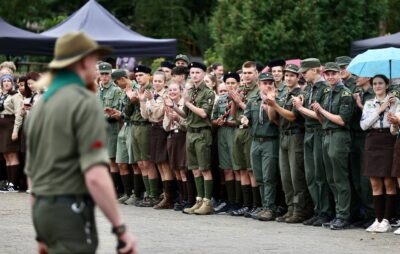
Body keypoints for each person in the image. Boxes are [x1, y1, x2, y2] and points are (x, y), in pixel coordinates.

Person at [24, 31, 136, 254]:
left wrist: (40, 231)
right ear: (83, 61)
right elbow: (95, 176)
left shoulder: (40, 106)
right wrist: (120, 229)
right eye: (94, 61)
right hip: (69, 210)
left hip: (43, 210)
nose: (97, 69)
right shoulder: (84, 102)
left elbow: (32, 176)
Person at [267, 64, 313, 223]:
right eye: (286, 75)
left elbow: (293, 116)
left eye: (292, 75)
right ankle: (291, 208)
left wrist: (275, 105)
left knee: (296, 176)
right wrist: (270, 102)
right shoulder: (284, 93)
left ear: (297, 77)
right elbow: (273, 118)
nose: (288, 78)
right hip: (284, 136)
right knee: (285, 177)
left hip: (296, 136)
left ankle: (301, 210)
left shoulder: (300, 94)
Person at [170, 61, 215, 215]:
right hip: (190, 132)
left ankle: (207, 202)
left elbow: (203, 113)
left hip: (202, 133)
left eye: (198, 72)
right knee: (195, 169)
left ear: (204, 74)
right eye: (193, 73)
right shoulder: (192, 91)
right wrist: (174, 106)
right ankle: (199, 200)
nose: (194, 75)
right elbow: (185, 114)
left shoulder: (208, 92)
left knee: (205, 169)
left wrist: (187, 102)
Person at [312, 62, 353, 230]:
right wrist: (317, 113)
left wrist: (321, 110)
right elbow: (324, 121)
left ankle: (344, 215)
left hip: (339, 136)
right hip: (326, 134)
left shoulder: (345, 93)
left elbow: (342, 120)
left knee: (340, 178)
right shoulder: (327, 92)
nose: (330, 77)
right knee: (330, 178)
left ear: (339, 73)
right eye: (327, 74)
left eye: (333, 73)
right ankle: (338, 213)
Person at [292, 58, 333, 227]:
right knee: (310, 175)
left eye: (305, 71)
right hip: (308, 133)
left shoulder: (324, 88)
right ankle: (317, 210)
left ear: (315, 70)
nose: (302, 75)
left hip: (318, 132)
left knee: (319, 175)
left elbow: (320, 115)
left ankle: (325, 211)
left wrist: (301, 108)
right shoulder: (308, 88)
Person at [361, 74, 398, 233]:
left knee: (389, 182)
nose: (377, 86)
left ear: (387, 84)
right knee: (375, 182)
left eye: (380, 83)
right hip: (372, 140)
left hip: (389, 140)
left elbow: (395, 125)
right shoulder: (369, 103)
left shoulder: (395, 101)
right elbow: (364, 125)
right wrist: (380, 109)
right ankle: (378, 218)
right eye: (374, 83)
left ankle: (388, 219)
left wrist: (391, 112)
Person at [240, 72, 280, 221]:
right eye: (265, 83)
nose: (268, 85)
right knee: (259, 176)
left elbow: (275, 119)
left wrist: (271, 102)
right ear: (259, 85)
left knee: (269, 176)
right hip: (255, 141)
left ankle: (270, 207)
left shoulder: (277, 100)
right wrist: (244, 119)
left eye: (271, 83)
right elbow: (247, 115)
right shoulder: (252, 100)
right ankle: (264, 206)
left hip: (270, 140)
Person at [126, 65, 160, 207]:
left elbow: (149, 113)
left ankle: (154, 194)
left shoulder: (151, 90)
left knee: (147, 161)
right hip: (134, 125)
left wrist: (141, 100)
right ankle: (147, 193)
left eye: (141, 75)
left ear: (148, 75)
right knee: (140, 162)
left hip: (145, 126)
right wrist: (131, 100)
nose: (138, 78)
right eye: (137, 75)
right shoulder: (136, 90)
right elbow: (127, 113)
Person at [140, 71, 172, 209]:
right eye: (155, 81)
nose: (157, 83)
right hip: (153, 128)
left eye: (160, 81)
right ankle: (165, 195)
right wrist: (143, 100)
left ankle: (168, 197)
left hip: (162, 129)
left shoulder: (165, 95)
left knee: (164, 163)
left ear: (165, 83)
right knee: (158, 164)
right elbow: (145, 115)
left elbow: (159, 113)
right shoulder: (151, 93)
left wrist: (152, 100)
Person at [349, 76, 375, 227]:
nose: (355, 78)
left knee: (366, 180)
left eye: (359, 76)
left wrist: (360, 105)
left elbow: (373, 116)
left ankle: (372, 214)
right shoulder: (359, 92)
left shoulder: (373, 94)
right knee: (356, 180)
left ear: (368, 77)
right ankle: (362, 213)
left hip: (367, 137)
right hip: (354, 136)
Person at [111, 69, 140, 205]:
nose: (116, 84)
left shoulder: (136, 88)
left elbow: (135, 111)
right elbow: (124, 112)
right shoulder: (124, 91)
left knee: (134, 162)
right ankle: (127, 192)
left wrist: (122, 114)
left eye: (117, 82)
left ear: (123, 78)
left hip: (134, 125)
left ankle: (137, 193)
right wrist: (117, 113)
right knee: (121, 161)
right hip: (125, 125)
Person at [163, 82, 192, 211]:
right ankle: (181, 198)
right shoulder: (168, 103)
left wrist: (177, 119)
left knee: (183, 170)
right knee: (175, 170)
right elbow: (165, 126)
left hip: (182, 137)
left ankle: (188, 199)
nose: (172, 92)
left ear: (180, 91)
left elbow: (187, 124)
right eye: (170, 90)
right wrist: (169, 117)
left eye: (175, 90)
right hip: (172, 137)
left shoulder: (184, 104)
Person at [211, 75, 238, 213]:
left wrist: (228, 122)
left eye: (233, 83)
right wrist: (218, 121)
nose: (230, 85)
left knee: (237, 169)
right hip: (222, 134)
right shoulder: (221, 99)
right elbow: (213, 118)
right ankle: (230, 201)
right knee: (226, 169)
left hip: (235, 133)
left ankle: (240, 201)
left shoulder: (240, 98)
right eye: (228, 83)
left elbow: (240, 119)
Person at [97, 62, 123, 196]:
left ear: (111, 75)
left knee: (112, 160)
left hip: (111, 127)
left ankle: (114, 190)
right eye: (102, 74)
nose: (104, 76)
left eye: (107, 73)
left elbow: (117, 111)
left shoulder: (116, 90)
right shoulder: (96, 89)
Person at [0, 74, 23, 192]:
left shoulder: (16, 95)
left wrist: (15, 131)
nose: (6, 83)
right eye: (4, 81)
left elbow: (19, 114)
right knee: (6, 155)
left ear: (13, 83)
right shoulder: (3, 95)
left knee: (12, 155)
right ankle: (9, 182)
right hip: (2, 128)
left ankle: (14, 183)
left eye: (9, 81)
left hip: (10, 125)